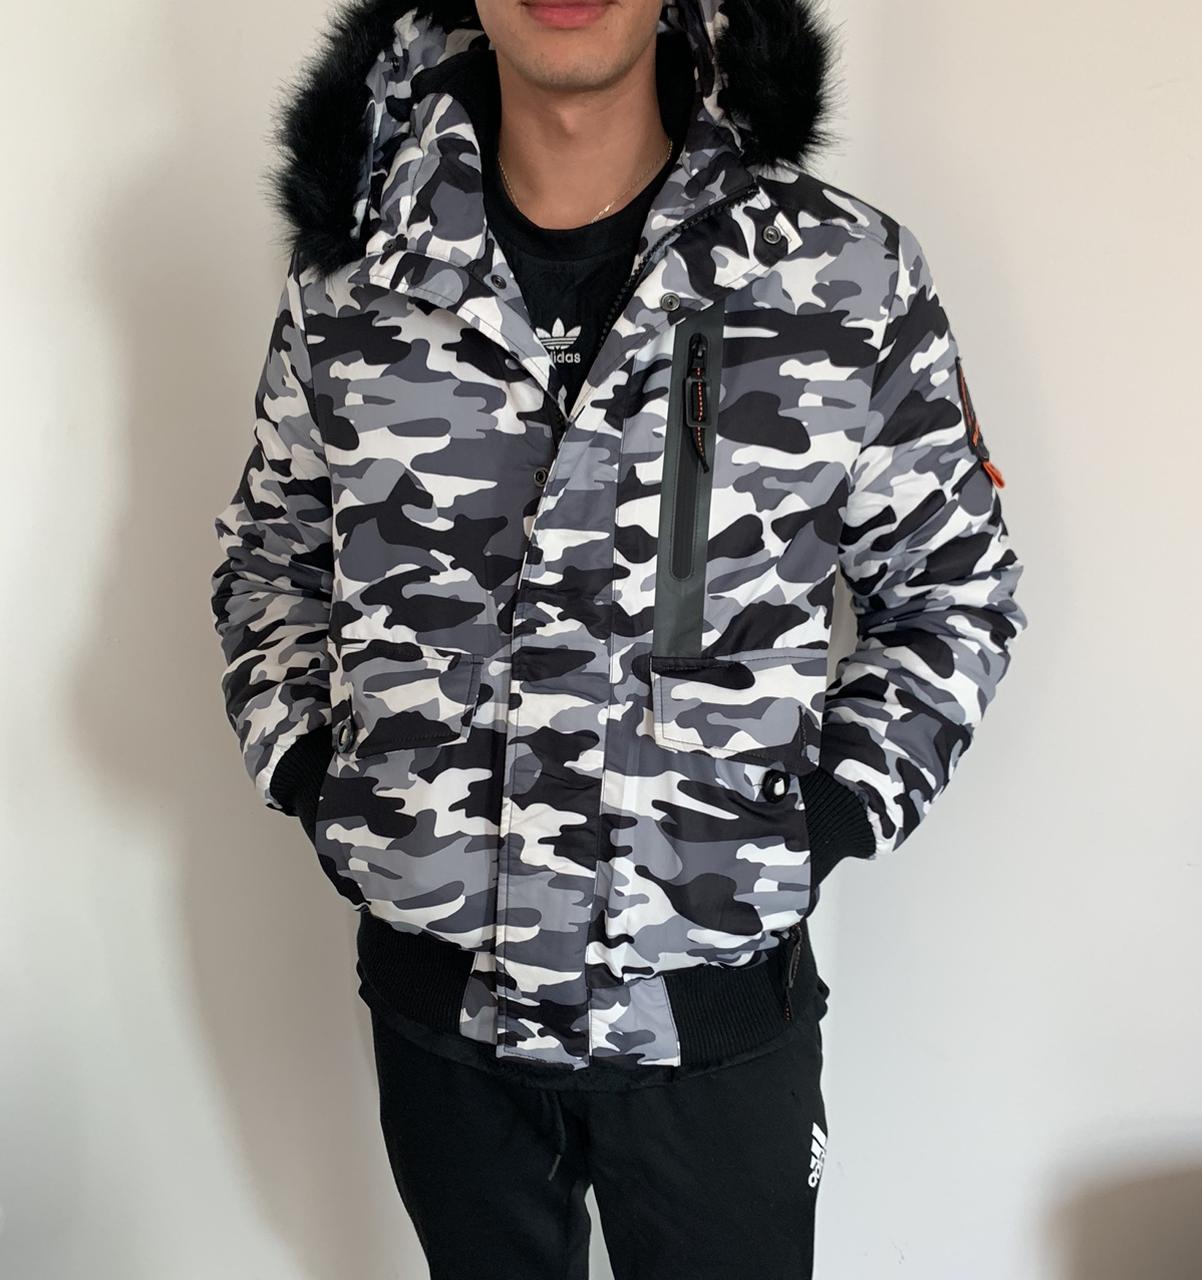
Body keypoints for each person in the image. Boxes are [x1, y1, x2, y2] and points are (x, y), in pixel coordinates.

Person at [209, 0, 1028, 1273]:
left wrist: (817, 816)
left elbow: (952, 588)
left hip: (714, 1023)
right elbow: (269, 564)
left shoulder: (840, 277)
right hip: (441, 1026)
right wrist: (325, 783)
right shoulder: (352, 290)